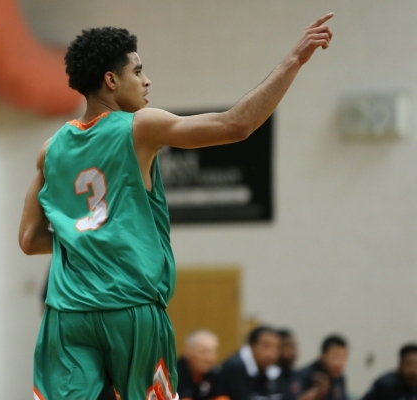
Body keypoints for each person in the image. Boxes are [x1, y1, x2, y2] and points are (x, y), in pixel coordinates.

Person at [19, 13, 333, 399]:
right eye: (138, 71)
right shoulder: (138, 126)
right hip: (129, 307)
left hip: (67, 315)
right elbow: (235, 125)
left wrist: (87, 240)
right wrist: (292, 61)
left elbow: (29, 239)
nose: (147, 81)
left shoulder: (49, 150)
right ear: (111, 80)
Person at [215, 325, 283, 400]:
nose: (272, 353)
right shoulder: (235, 368)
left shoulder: (273, 369)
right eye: (266, 346)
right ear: (252, 345)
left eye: (277, 347)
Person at [296, 334, 349, 400]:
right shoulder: (304, 376)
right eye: (335, 357)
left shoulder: (339, 378)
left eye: (343, 357)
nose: (339, 363)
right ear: (323, 355)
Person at [178, 330, 221, 400]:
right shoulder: (173, 375)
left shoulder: (216, 373)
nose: (209, 358)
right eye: (203, 351)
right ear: (188, 351)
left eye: (213, 352)